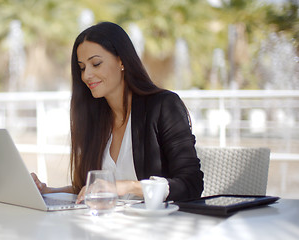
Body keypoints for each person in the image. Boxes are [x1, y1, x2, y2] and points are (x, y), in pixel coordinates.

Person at [31, 21, 203, 203]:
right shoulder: (95, 119)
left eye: (95, 64)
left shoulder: (163, 106)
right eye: (82, 67)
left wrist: (127, 186)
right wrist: (46, 190)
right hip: (103, 225)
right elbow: (88, 188)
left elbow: (191, 184)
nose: (86, 75)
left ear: (121, 60)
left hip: (157, 226)